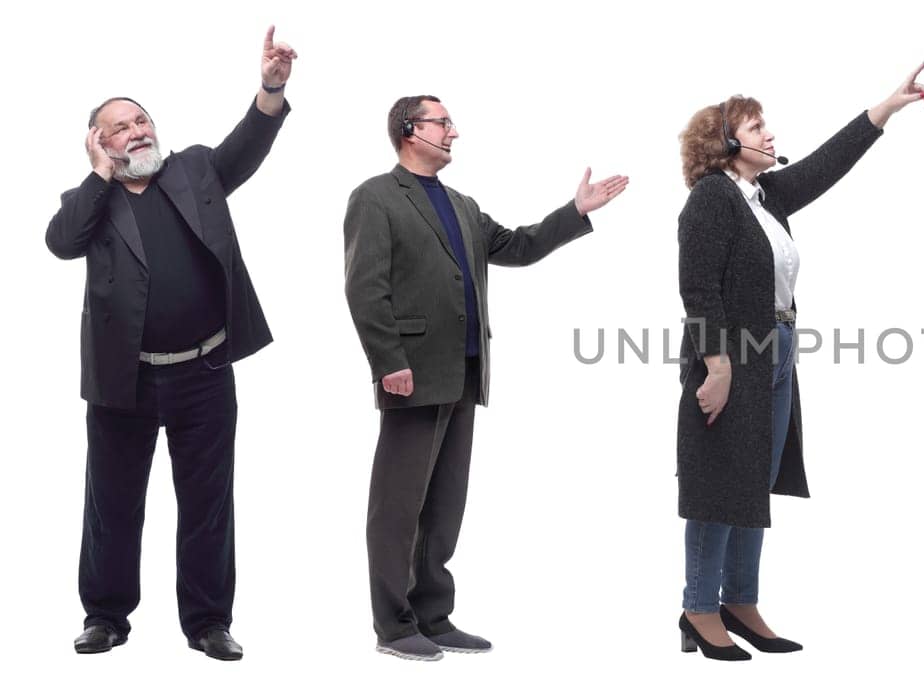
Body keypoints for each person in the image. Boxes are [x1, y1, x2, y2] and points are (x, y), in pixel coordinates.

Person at [343, 95, 628, 662]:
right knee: (398, 507)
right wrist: (389, 361)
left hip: (464, 372)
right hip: (412, 374)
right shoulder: (375, 197)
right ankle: (393, 625)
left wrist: (575, 211)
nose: (453, 131)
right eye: (441, 122)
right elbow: (363, 286)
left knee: (445, 504)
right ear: (408, 130)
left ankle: (433, 615)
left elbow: (517, 247)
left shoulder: (462, 204)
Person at [43, 26, 296, 662]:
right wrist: (98, 176)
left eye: (142, 120)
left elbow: (249, 145)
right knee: (113, 503)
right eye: (120, 126)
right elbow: (60, 242)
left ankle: (209, 621)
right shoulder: (89, 201)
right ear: (100, 143)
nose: (137, 131)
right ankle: (105, 615)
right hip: (122, 380)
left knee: (209, 503)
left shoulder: (195, 169)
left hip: (205, 370)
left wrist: (269, 89)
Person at [673, 65, 924, 661]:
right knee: (719, 485)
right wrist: (716, 365)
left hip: (776, 350)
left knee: (755, 480)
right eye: (756, 127)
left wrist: (886, 109)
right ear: (726, 142)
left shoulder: (763, 197)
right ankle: (698, 607)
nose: (769, 135)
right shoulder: (714, 197)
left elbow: (825, 164)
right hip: (733, 358)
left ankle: (739, 601)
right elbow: (698, 288)